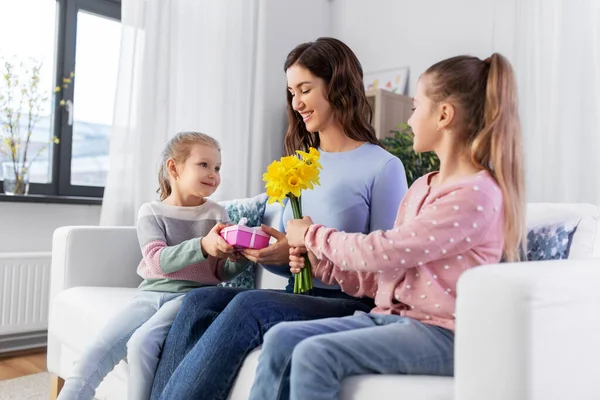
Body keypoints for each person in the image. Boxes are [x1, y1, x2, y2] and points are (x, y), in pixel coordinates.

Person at [249, 53, 526, 400]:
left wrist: (311, 235)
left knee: (315, 355)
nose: (409, 120)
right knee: (280, 337)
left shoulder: (476, 194)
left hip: (447, 333)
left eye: (415, 107)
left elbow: (386, 249)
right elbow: (391, 271)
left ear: (443, 115)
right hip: (393, 317)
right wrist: (323, 267)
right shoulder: (423, 186)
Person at [149, 37, 408, 400]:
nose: (296, 103)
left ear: (337, 86)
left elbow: (385, 270)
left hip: (348, 303)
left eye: (305, 89)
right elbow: (291, 261)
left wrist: (304, 253)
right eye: (291, 92)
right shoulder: (300, 164)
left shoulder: (384, 166)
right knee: (198, 303)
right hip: (297, 295)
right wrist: (275, 254)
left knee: (249, 304)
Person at [58, 132, 251, 400]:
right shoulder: (151, 212)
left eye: (217, 168)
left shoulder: (217, 214)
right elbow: (157, 262)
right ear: (174, 168)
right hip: (150, 294)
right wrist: (203, 245)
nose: (213, 174)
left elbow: (219, 272)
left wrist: (239, 258)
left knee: (141, 344)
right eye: (204, 165)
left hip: (190, 297)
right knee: (98, 349)